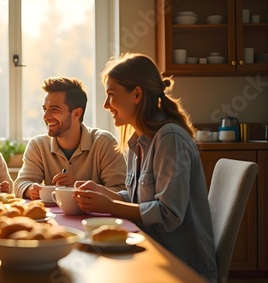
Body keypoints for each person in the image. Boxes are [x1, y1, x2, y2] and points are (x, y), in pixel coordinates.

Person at [73, 53, 217, 281]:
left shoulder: (170, 139)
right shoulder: (137, 141)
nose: (105, 105)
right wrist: (104, 193)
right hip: (154, 252)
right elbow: (139, 199)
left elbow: (168, 214)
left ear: (137, 94)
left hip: (181, 267)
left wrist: (110, 205)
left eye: (111, 95)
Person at [14, 76, 127, 200]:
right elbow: (21, 183)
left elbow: (121, 191)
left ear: (76, 113)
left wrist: (78, 187)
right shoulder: (38, 145)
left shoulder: (104, 143)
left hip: (94, 218)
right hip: (53, 219)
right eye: (45, 109)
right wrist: (31, 190)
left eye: (54, 109)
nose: (46, 116)